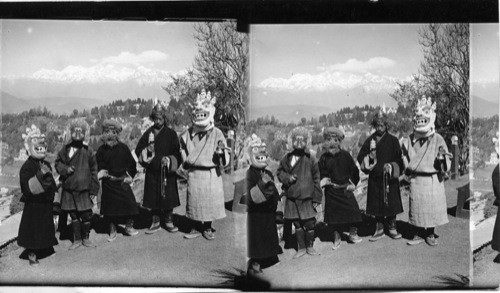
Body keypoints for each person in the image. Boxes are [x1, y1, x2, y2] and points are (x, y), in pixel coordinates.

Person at [178, 89, 229, 240]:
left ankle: (207, 227)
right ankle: (194, 226)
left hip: (210, 173)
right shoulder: (188, 133)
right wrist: (185, 161)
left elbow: (225, 153)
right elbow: (181, 149)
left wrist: (221, 153)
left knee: (209, 202)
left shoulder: (217, 133)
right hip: (195, 173)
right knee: (194, 201)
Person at [401, 96, 451, 246]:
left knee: (431, 207)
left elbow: (446, 160)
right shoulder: (409, 140)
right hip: (417, 179)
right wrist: (407, 169)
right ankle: (417, 232)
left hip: (432, 179)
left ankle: (430, 233)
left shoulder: (438, 138)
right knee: (417, 207)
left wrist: (442, 159)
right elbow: (404, 157)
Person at [135, 100, 182, 234]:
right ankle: (155, 221)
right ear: (153, 118)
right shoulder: (148, 133)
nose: (158, 121)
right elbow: (139, 149)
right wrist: (147, 152)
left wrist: (169, 159)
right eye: (155, 118)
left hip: (167, 172)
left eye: (160, 118)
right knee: (153, 198)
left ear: (164, 118)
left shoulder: (171, 134)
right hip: (152, 172)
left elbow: (177, 153)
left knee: (168, 198)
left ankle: (168, 220)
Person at [357, 112, 404, 242]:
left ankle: (392, 227)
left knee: (391, 202)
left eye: (382, 125)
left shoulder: (393, 141)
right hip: (375, 178)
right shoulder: (370, 141)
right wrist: (368, 160)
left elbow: (399, 160)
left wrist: (391, 166)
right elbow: (361, 156)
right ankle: (379, 228)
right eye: (377, 125)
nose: (380, 127)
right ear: (374, 126)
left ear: (386, 125)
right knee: (377, 204)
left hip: (389, 179)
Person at [277, 127, 322, 259]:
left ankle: (310, 246)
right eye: (296, 139)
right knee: (296, 223)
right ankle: (301, 247)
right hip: (292, 198)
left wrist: (317, 198)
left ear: (307, 141)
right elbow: (279, 172)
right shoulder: (287, 158)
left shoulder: (311, 159)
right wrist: (287, 178)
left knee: (309, 223)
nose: (299, 142)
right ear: (292, 141)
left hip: (307, 198)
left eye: (302, 139)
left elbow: (317, 179)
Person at [55, 119, 100, 250]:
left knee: (86, 215)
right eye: (75, 131)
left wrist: (94, 189)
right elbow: (57, 163)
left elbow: (94, 170)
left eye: (81, 131)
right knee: (73, 215)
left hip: (84, 190)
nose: (78, 134)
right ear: (72, 132)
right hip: (69, 189)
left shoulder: (88, 151)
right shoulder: (65, 149)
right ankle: (77, 239)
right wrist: (65, 169)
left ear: (85, 134)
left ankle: (86, 238)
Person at [17, 125, 58, 265]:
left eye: (41, 140)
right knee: (33, 231)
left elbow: (51, 182)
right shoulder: (26, 167)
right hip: (33, 205)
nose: (40, 144)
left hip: (45, 203)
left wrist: (54, 196)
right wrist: (41, 174)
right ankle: (32, 254)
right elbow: (27, 188)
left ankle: (42, 249)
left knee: (43, 229)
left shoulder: (46, 163)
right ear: (29, 146)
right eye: (35, 141)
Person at [96, 119, 140, 241]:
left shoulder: (123, 148)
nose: (110, 135)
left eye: (113, 132)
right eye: (107, 132)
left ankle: (128, 227)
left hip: (122, 182)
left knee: (130, 203)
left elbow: (132, 164)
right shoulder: (101, 150)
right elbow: (97, 166)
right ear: (104, 134)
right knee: (110, 210)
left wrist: (130, 176)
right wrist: (100, 172)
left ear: (117, 134)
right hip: (108, 183)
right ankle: (112, 229)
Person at [318, 127, 362, 249]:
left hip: (345, 189)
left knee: (354, 211)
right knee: (333, 218)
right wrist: (323, 180)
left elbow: (354, 171)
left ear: (339, 142)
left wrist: (353, 184)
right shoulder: (323, 158)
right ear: (326, 142)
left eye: (335, 140)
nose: (332, 143)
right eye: (329, 140)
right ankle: (336, 238)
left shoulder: (346, 156)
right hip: (331, 191)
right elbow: (320, 172)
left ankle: (353, 234)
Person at [245, 134, 281, 274]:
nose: (261, 154)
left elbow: (274, 191)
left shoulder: (268, 172)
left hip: (268, 212)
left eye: (263, 150)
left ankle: (268, 259)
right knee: (257, 239)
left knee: (268, 236)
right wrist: (262, 183)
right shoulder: (249, 174)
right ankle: (255, 263)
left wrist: (277, 206)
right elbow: (249, 196)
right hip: (256, 214)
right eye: (256, 150)